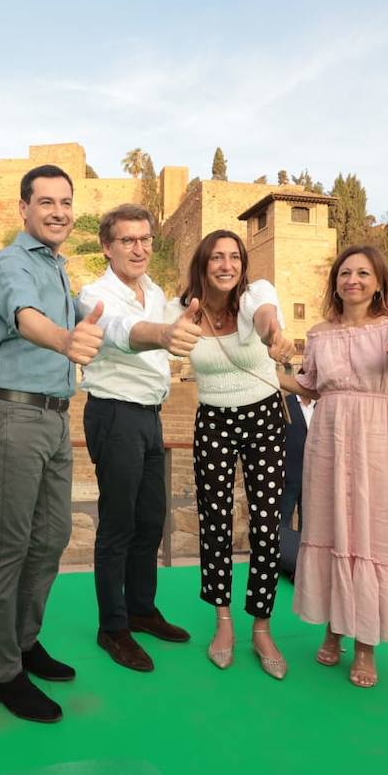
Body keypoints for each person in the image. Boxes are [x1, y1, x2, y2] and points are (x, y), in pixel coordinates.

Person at [287, 244, 388, 688]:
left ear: (378, 282)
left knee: (372, 533)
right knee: (332, 526)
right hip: (329, 435)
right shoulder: (320, 332)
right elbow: (307, 385)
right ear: (335, 281)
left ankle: (365, 645)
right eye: (344, 273)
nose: (352, 280)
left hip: (378, 435)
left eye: (362, 273)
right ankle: (334, 626)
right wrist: (250, 362)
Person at [0, 164, 103, 724]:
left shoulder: (58, 269)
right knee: (10, 543)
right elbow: (27, 319)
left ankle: (27, 643)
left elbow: (100, 325)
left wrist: (157, 334)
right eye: (46, 201)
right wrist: (65, 340)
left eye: (65, 202)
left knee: (50, 537)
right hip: (16, 413)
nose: (58, 211)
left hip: (54, 416)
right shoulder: (11, 263)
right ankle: (4, 675)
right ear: (23, 209)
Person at [77, 204, 198, 673]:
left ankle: (143, 609)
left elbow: (182, 318)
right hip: (114, 413)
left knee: (151, 520)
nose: (139, 248)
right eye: (128, 240)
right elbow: (125, 332)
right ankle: (113, 626)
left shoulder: (154, 291)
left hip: (150, 415)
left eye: (145, 239)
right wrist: (166, 332)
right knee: (118, 524)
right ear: (107, 247)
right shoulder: (95, 295)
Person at [172, 230, 293, 679]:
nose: (227, 265)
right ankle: (223, 623)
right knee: (215, 521)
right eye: (217, 257)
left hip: (263, 416)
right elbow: (166, 338)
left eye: (235, 257)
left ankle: (261, 626)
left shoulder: (255, 294)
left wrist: (276, 336)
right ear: (203, 264)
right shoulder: (182, 308)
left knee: (265, 524)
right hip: (213, 420)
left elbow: (265, 320)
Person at [278, 387, 315, 581]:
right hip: (289, 472)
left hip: (315, 476)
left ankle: (301, 565)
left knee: (308, 521)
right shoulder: (287, 403)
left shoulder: (322, 406)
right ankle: (280, 560)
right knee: (283, 518)